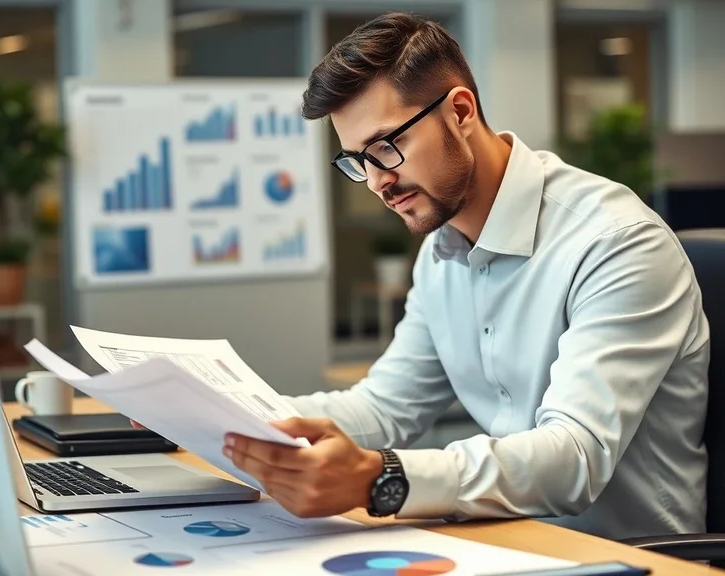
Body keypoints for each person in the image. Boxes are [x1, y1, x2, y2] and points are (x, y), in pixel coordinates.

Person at [216, 12, 710, 541]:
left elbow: (573, 456)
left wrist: (381, 478)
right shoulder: (440, 254)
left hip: (640, 564)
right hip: (507, 542)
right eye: (359, 160)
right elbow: (385, 407)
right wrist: (230, 417)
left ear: (459, 111)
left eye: (387, 146)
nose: (379, 181)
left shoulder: (615, 241)